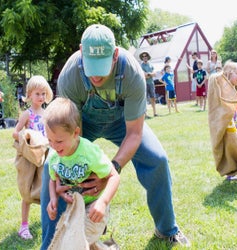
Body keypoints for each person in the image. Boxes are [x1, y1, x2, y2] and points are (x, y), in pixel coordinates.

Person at [40, 23, 190, 249]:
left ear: (115, 54)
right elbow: (70, 135)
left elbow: (135, 133)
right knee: (52, 169)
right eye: (91, 66)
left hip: (122, 123)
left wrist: (111, 170)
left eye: (102, 66)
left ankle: (167, 229)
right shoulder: (70, 77)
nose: (97, 75)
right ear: (81, 51)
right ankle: (52, 243)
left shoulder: (132, 73)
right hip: (81, 124)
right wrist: (65, 176)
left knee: (157, 160)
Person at [44, 97, 120, 248]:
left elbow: (114, 176)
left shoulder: (88, 152)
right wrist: (53, 198)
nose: (54, 146)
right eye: (49, 140)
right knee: (73, 240)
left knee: (75, 241)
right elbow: (53, 179)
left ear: (75, 133)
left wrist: (102, 202)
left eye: (59, 141)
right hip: (73, 208)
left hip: (94, 207)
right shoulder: (54, 156)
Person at [12, 75, 53, 240]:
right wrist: (26, 136)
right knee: (27, 192)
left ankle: (48, 223)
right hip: (30, 158)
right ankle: (24, 226)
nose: (41, 97)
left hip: (43, 156)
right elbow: (15, 132)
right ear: (29, 94)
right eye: (37, 94)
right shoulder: (27, 114)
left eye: (43, 93)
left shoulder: (47, 113)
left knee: (45, 189)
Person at [208, 61, 237, 181]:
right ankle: (231, 172)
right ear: (227, 74)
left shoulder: (233, 90)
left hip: (235, 122)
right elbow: (213, 78)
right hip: (225, 123)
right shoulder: (219, 87)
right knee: (229, 147)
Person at [139, 51, 158, 118]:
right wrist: (150, 74)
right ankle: (145, 114)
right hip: (145, 84)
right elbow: (144, 75)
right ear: (142, 58)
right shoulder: (141, 66)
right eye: (143, 56)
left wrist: (149, 74)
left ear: (148, 57)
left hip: (151, 83)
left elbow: (155, 74)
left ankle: (155, 113)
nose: (144, 57)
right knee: (145, 99)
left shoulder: (151, 64)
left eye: (145, 56)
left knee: (153, 98)